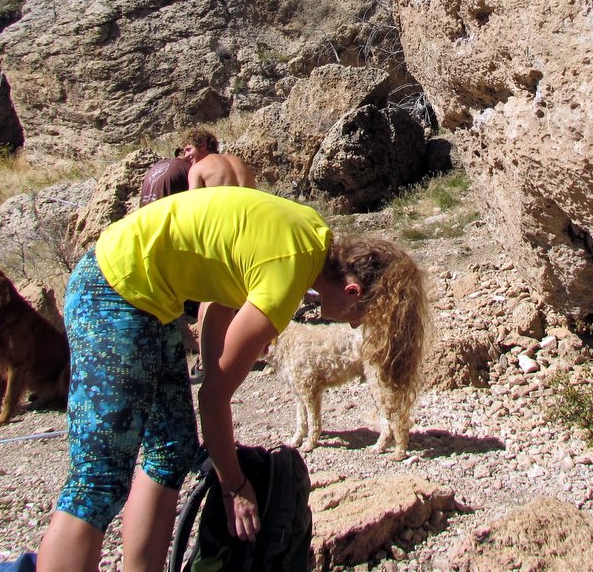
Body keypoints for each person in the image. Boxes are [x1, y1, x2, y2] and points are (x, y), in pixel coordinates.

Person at [35, 187, 430, 572]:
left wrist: (213, 367)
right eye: (360, 315)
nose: (355, 323)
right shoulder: (287, 281)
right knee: (99, 479)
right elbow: (214, 398)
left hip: (149, 299)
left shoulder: (313, 235)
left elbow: (221, 296)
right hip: (112, 290)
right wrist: (234, 487)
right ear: (352, 291)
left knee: (171, 450)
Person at [182, 127, 256, 189]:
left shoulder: (197, 169)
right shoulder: (239, 161)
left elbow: (195, 202)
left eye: (188, 150)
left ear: (202, 145)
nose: (186, 155)